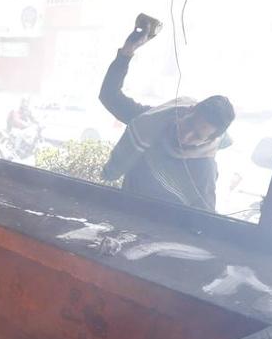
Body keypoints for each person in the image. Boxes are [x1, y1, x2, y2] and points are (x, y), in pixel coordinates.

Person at [98, 14, 236, 212]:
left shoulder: (203, 169)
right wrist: (127, 52)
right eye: (188, 124)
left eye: (197, 136)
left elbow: (203, 221)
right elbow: (109, 96)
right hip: (124, 214)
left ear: (208, 141)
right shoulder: (152, 122)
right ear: (188, 111)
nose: (186, 136)